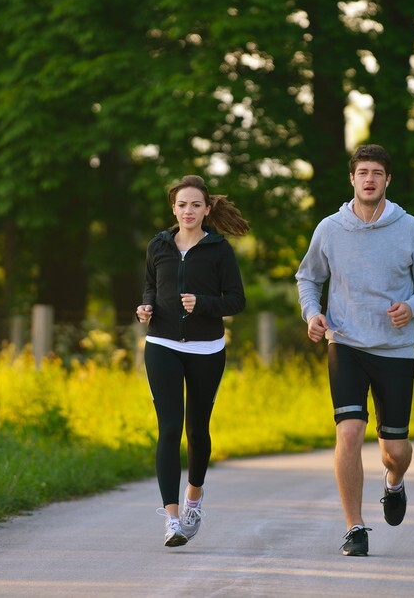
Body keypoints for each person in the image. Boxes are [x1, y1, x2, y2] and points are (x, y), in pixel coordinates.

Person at [295, 144, 414, 557]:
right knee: (349, 433)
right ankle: (354, 528)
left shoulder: (410, 228)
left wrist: (411, 306)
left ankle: (394, 483)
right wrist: (312, 313)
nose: (369, 179)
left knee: (394, 449)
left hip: (395, 349)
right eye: (362, 172)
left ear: (387, 180)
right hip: (346, 344)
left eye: (377, 172)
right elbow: (308, 277)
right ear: (352, 179)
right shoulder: (330, 228)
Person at [136, 174, 249, 547]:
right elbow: (151, 285)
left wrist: (203, 304)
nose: (188, 211)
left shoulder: (219, 249)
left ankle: (194, 500)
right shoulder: (158, 245)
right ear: (174, 208)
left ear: (206, 209)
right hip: (162, 345)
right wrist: (147, 306)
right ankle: (171, 520)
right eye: (182, 204)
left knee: (197, 430)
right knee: (169, 429)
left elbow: (236, 300)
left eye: (195, 205)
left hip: (206, 349)